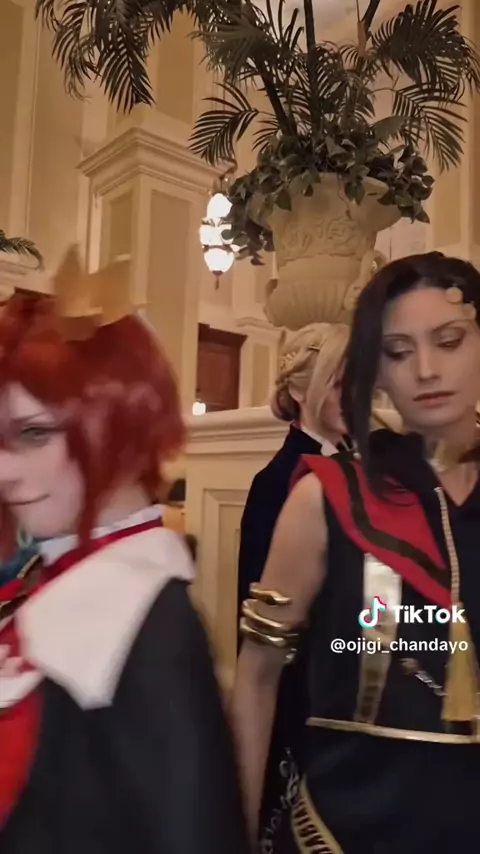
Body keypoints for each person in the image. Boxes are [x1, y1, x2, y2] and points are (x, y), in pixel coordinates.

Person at [0, 247, 248, 854]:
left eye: (35, 433)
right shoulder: (63, 578)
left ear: (117, 422)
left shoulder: (147, 616)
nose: (4, 471)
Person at [233, 252, 480, 853]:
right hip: (344, 831)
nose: (426, 369)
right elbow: (256, 679)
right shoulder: (325, 497)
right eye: (397, 351)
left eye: (449, 341)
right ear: (376, 371)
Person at [237, 323, 350, 852]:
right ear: (302, 388)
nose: (356, 394)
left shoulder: (369, 471)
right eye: (340, 381)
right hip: (302, 699)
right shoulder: (277, 482)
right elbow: (259, 640)